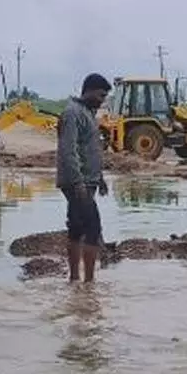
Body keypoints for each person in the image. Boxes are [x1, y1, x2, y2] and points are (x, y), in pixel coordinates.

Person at [56, 72, 112, 283]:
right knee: (93, 227)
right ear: (88, 91)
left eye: (105, 97)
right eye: (100, 95)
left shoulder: (88, 113)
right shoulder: (73, 113)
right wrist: (77, 181)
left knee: (77, 227)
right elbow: (67, 150)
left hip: (88, 181)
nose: (102, 100)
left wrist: (100, 178)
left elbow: (90, 150)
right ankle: (89, 283)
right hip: (77, 182)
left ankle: (74, 280)